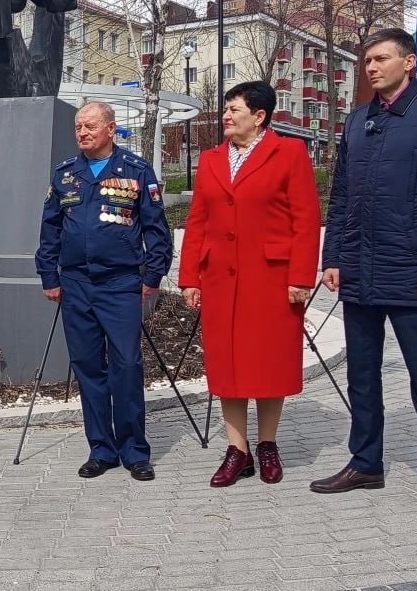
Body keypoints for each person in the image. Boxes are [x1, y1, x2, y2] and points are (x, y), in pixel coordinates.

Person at [309, 28, 417, 522]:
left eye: (381, 58)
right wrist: (332, 257)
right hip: (359, 271)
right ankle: (365, 463)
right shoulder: (358, 120)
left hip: (412, 275)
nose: (371, 67)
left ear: (409, 61)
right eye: (367, 61)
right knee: (362, 377)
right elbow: (341, 198)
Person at [178, 81, 321, 487]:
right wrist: (190, 276)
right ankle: (236, 450)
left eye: (234, 110)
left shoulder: (289, 152)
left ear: (259, 116)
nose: (226, 116)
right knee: (228, 364)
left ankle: (268, 445)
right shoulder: (211, 159)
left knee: (268, 361)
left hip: (271, 279)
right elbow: (198, 221)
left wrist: (300, 277)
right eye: (226, 109)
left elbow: (306, 220)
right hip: (220, 278)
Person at [36, 101, 172, 481]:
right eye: (78, 127)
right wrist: (49, 275)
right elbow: (50, 228)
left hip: (120, 284)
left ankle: (134, 451)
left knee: (126, 365)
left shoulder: (136, 170)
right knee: (89, 367)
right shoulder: (65, 174)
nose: (82, 133)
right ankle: (102, 448)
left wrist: (153, 274)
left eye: (90, 126)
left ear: (111, 129)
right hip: (76, 284)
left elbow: (156, 230)